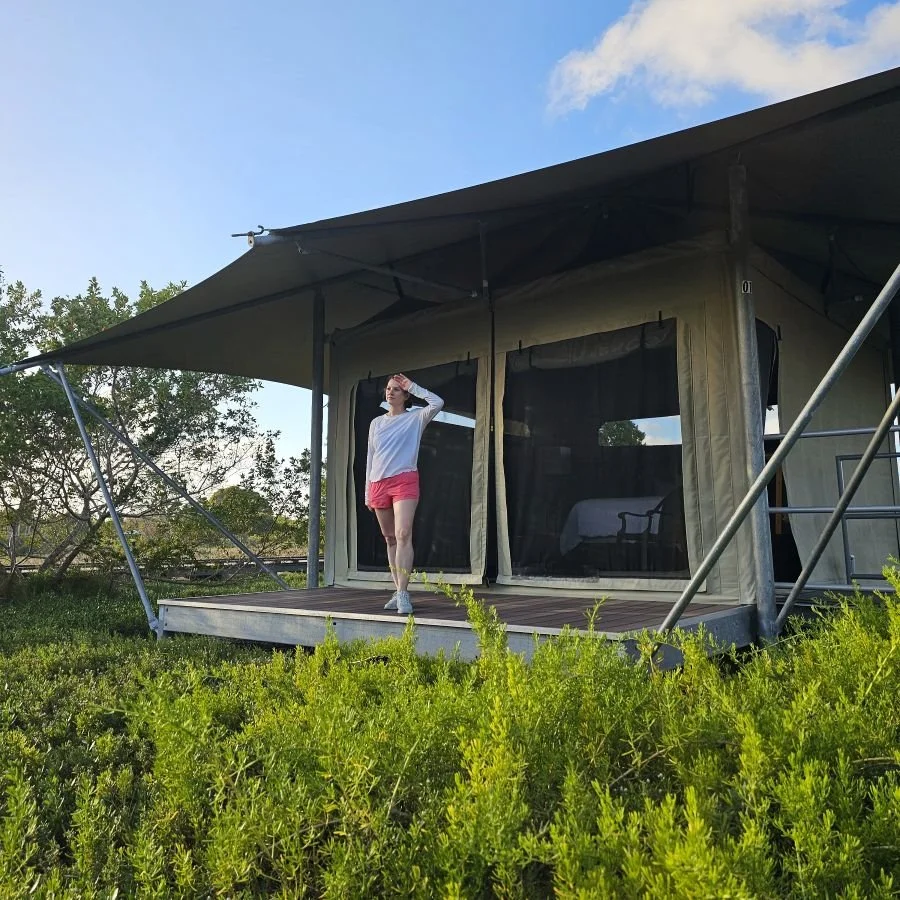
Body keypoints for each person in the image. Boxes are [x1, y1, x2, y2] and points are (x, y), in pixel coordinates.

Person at [365, 373, 443, 615]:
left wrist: (413, 385)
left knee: (403, 533)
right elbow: (371, 456)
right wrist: (368, 490)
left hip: (405, 480)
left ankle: (403, 593)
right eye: (388, 389)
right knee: (390, 538)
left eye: (397, 389)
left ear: (406, 395)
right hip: (378, 483)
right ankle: (397, 589)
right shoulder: (376, 423)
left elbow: (437, 403)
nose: (390, 392)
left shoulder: (416, 418)